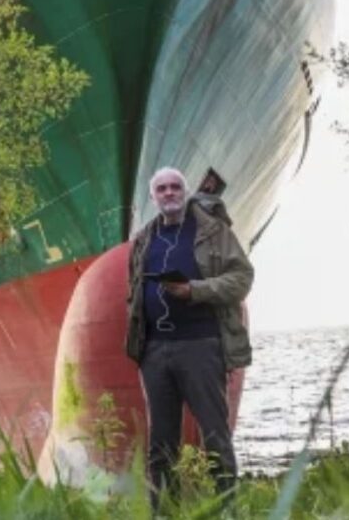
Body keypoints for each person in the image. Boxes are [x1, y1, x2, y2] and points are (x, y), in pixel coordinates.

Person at [124, 166, 254, 509]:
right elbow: (132, 291)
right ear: (152, 197)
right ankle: (164, 514)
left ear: (185, 192)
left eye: (175, 187)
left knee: (215, 436)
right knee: (160, 444)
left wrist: (195, 290)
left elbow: (242, 277)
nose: (169, 193)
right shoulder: (144, 238)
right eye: (162, 189)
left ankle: (227, 511)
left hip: (201, 346)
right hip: (155, 351)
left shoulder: (213, 230)